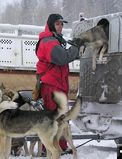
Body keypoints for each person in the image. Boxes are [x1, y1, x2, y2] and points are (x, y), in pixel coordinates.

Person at [35, 13, 84, 153]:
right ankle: (50, 149)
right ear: (51, 25)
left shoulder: (56, 40)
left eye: (62, 24)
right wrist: (75, 46)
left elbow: (66, 56)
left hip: (58, 84)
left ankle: (60, 147)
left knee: (61, 118)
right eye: (57, 24)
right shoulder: (48, 42)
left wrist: (77, 51)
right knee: (54, 118)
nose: (61, 27)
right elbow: (62, 58)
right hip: (52, 86)